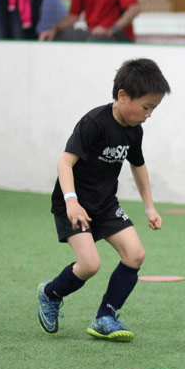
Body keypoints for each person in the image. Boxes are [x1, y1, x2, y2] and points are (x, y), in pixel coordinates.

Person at [37, 58, 171, 341]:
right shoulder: (94, 123)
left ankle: (105, 316)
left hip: (106, 204)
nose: (149, 114)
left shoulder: (135, 130)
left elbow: (138, 166)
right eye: (146, 107)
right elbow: (65, 162)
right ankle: (51, 293)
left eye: (154, 108)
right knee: (90, 265)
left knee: (135, 254)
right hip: (73, 204)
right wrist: (71, 201)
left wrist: (150, 207)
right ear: (123, 96)